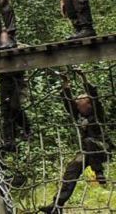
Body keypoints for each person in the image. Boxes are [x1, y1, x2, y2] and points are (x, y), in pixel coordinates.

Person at [40, 69, 110, 213]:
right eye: (77, 105)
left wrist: (83, 77)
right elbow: (68, 103)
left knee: (89, 141)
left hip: (101, 148)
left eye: (81, 105)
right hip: (86, 151)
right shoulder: (78, 114)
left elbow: (94, 96)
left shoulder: (97, 112)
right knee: (71, 169)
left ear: (89, 105)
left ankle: (99, 172)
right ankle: (57, 205)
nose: (78, 107)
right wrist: (66, 83)